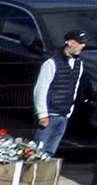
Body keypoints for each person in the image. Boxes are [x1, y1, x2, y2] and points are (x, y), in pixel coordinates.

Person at [33, 30, 91, 159]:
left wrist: (69, 111)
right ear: (70, 42)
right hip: (49, 115)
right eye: (80, 43)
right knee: (38, 151)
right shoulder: (51, 63)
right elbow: (41, 89)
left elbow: (74, 88)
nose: (83, 46)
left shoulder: (78, 64)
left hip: (63, 115)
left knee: (51, 152)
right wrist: (42, 114)